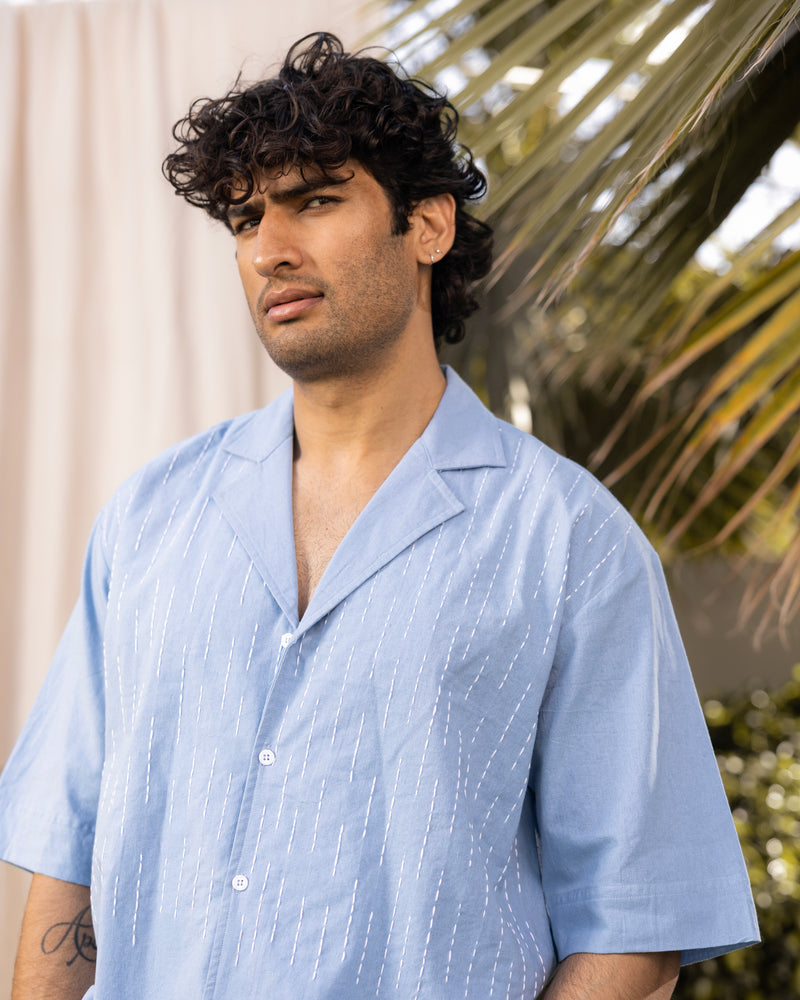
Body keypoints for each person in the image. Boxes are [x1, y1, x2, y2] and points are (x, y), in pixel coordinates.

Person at [0, 32, 758, 1000]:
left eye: (315, 200)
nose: (270, 249)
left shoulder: (569, 540)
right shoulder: (149, 516)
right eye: (244, 218)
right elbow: (67, 854)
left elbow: (635, 928)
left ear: (427, 226)